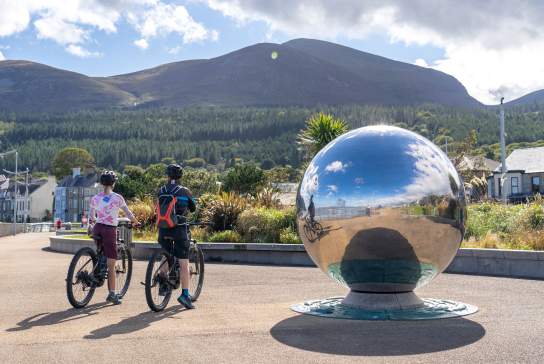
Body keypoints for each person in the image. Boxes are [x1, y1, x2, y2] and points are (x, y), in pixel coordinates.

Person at [89, 170, 139, 305]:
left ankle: (97, 272)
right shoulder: (117, 198)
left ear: (101, 183)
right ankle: (112, 294)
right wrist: (135, 221)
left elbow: (92, 217)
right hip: (109, 230)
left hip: (97, 228)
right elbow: (128, 213)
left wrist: (92, 224)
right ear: (114, 183)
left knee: (101, 252)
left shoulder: (95, 198)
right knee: (111, 265)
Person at [157, 164, 196, 309]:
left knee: (166, 254)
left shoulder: (161, 190)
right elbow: (193, 208)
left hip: (163, 230)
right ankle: (185, 296)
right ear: (180, 177)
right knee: (184, 263)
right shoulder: (184, 191)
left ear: (167, 175)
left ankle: (162, 283)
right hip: (179, 230)